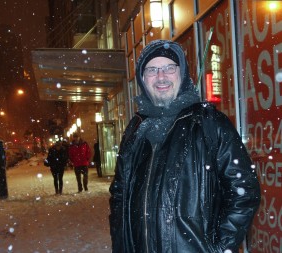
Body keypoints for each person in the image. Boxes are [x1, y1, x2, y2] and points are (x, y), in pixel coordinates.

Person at [109, 40, 261, 253]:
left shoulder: (209, 123)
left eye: (169, 68)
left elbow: (244, 191)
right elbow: (119, 195)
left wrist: (219, 248)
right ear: (143, 79)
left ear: (182, 73)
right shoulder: (136, 130)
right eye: (152, 70)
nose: (161, 76)